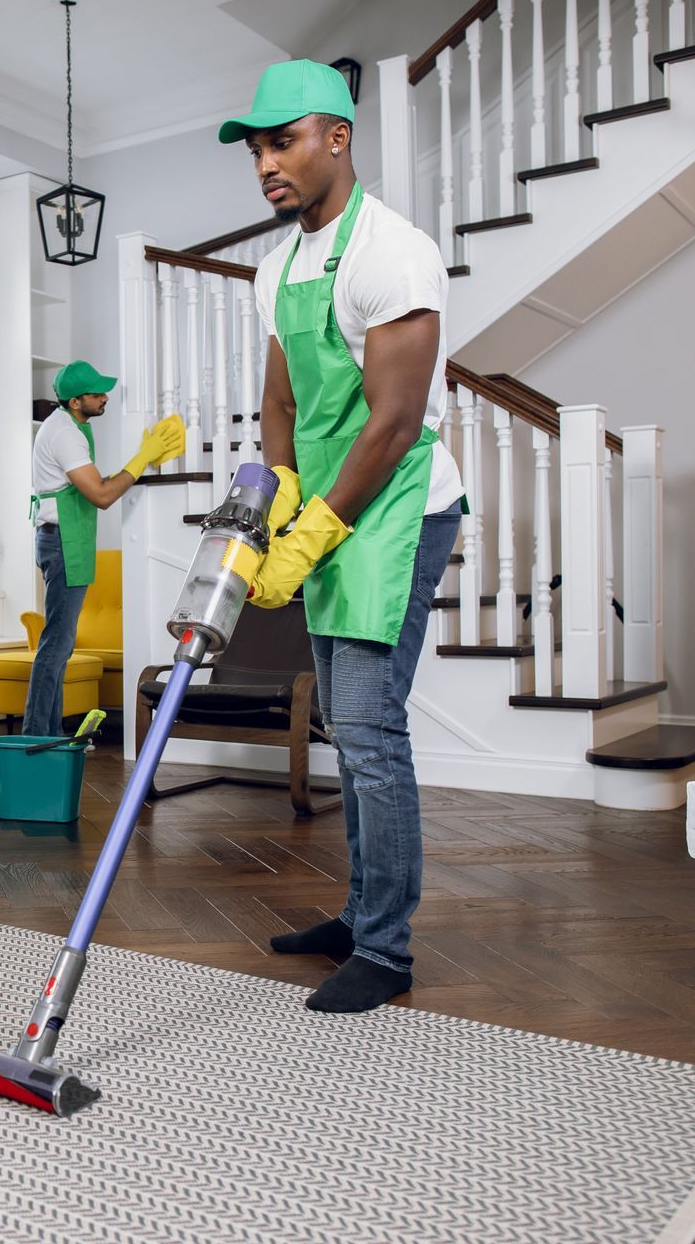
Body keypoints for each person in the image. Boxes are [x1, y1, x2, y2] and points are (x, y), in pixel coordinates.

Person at [221, 60, 465, 1012]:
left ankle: (387, 950)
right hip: (327, 505)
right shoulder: (275, 264)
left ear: (338, 137)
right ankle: (361, 915)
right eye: (255, 150)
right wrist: (279, 490)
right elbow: (280, 397)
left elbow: (395, 421)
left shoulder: (394, 253)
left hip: (396, 502)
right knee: (345, 724)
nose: (266, 165)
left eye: (282, 142)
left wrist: (320, 527)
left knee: (368, 727)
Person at [22, 361, 184, 737]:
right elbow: (102, 495)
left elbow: (95, 483)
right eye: (97, 394)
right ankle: (35, 736)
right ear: (76, 401)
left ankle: (49, 734)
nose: (105, 397)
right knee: (56, 645)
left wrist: (141, 459)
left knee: (59, 645)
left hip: (66, 540)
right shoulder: (65, 434)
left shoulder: (72, 425)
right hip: (63, 544)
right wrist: (142, 458)